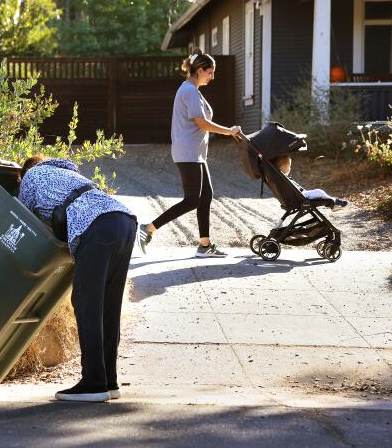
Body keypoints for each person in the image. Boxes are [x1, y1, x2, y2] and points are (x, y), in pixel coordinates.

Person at [18, 155, 136, 403]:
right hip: (123, 219)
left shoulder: (30, 177)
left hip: (96, 226)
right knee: (108, 306)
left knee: (86, 304)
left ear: (25, 171)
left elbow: (25, 221)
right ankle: (109, 380)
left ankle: (93, 382)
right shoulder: (67, 174)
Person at [138, 49, 241, 258]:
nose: (212, 77)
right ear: (200, 70)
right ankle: (148, 228)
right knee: (192, 199)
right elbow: (201, 122)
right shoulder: (190, 91)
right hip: (188, 153)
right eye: (210, 72)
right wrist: (228, 131)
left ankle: (204, 245)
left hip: (195, 154)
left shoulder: (193, 89)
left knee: (206, 196)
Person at [271, 155, 349, 211]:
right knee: (319, 192)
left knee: (319, 193)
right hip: (300, 198)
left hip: (297, 197)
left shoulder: (280, 178)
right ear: (282, 168)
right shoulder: (283, 179)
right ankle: (334, 204)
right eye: (289, 166)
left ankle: (334, 202)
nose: (290, 168)